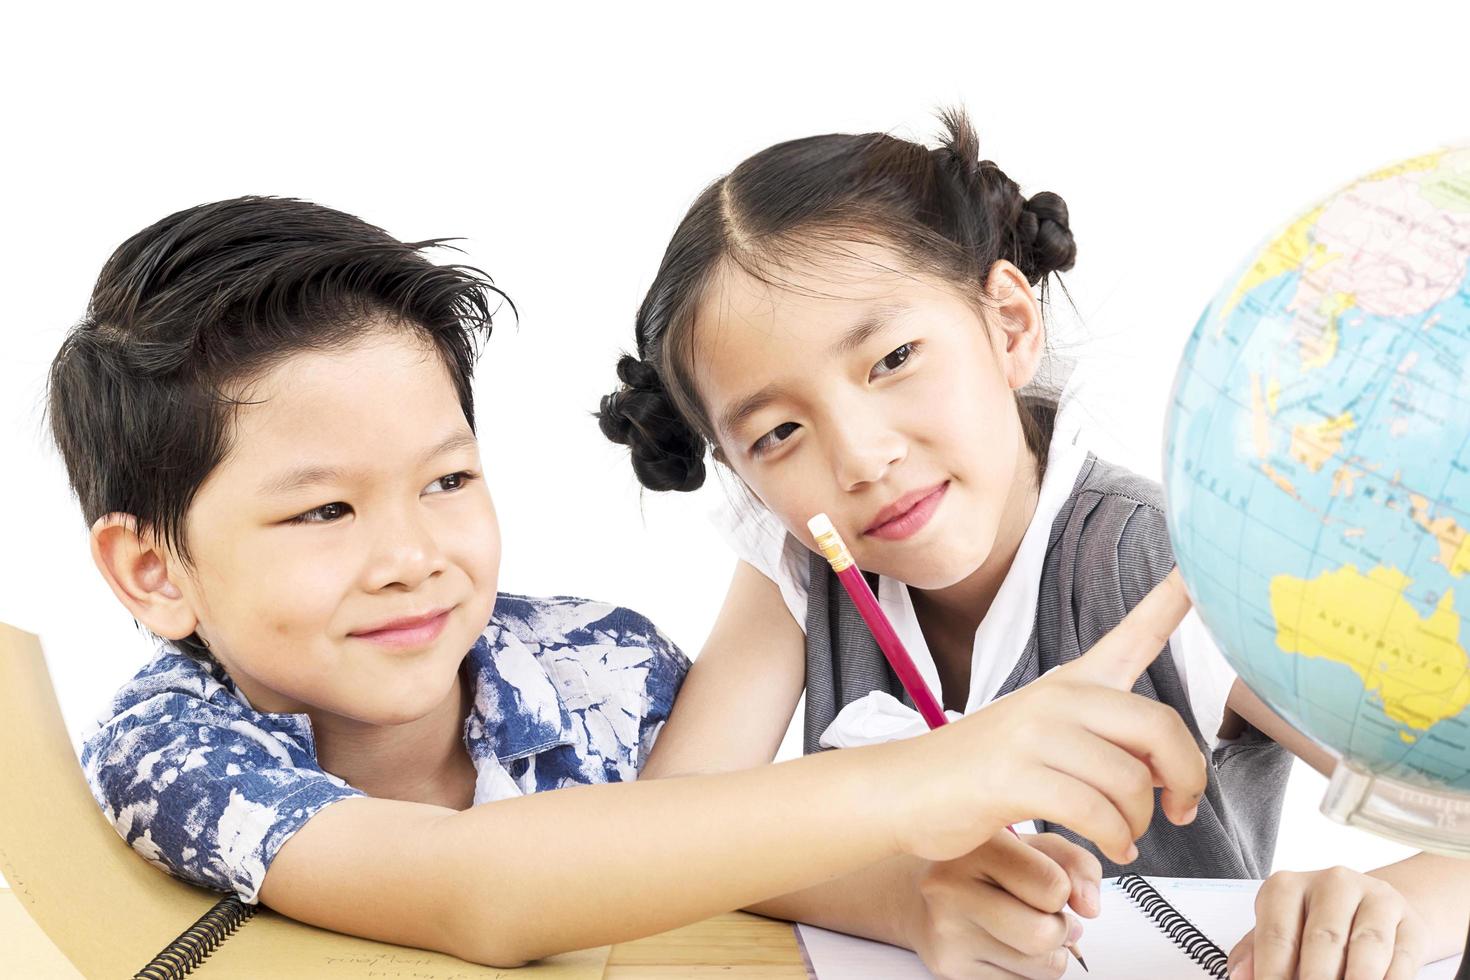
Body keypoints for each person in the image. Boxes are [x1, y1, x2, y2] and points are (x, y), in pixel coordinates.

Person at [51, 195, 1206, 969]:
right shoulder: (172, 750)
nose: (413, 554)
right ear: (153, 572)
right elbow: (477, 890)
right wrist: (934, 774)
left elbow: (720, 846)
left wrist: (914, 895)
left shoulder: (593, 660)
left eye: (448, 479)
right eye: (324, 509)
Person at [599, 110, 1470, 979]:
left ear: (1010, 324)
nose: (862, 459)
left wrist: (1393, 907)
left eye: (894, 358)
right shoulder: (806, 566)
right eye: (780, 432)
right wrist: (901, 898)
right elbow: (667, 837)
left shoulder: (1170, 567)